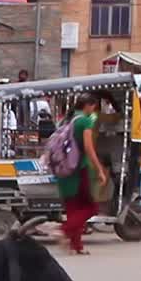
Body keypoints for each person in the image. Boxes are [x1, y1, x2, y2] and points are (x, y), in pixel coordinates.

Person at [57, 93, 108, 255]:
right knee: (91, 207)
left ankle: (76, 246)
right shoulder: (85, 121)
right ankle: (65, 230)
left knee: (73, 208)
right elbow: (88, 147)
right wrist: (99, 169)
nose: (94, 109)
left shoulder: (68, 120)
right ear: (88, 105)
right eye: (94, 106)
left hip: (64, 169)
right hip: (79, 169)